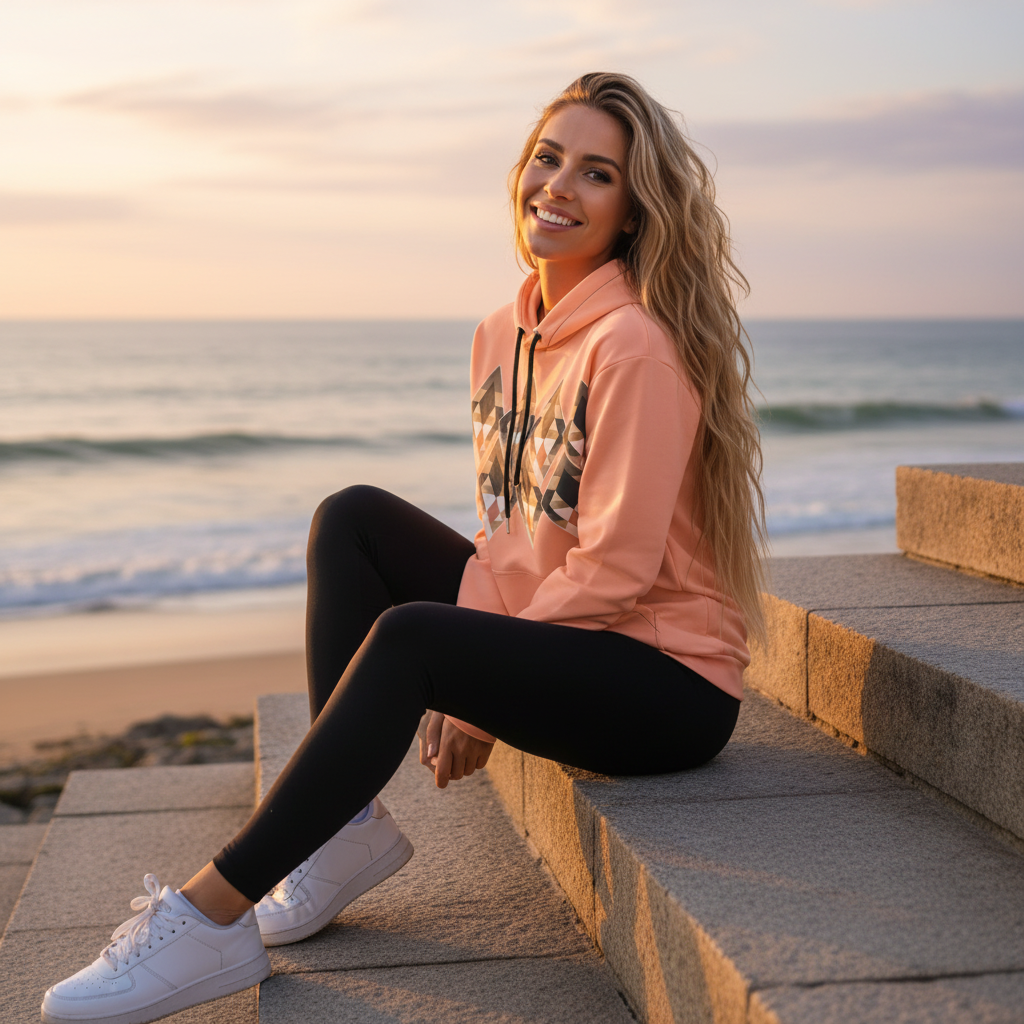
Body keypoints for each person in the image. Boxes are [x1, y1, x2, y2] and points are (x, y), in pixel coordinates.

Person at [42, 71, 766, 1024]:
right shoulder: (501, 331)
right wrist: (488, 652)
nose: (558, 186)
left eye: (596, 174)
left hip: (667, 687)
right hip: (578, 633)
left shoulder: (631, 347)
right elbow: (512, 531)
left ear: (631, 213)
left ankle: (209, 919)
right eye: (548, 158)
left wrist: (474, 687)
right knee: (351, 517)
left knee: (415, 639)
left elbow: (617, 572)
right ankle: (339, 831)